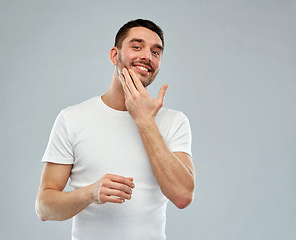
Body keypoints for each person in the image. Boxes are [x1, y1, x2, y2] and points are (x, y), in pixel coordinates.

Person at [35, 19, 195, 240]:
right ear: (114, 55)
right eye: (137, 47)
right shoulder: (72, 119)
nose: (147, 56)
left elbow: (183, 196)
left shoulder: (174, 122)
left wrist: (145, 121)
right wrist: (89, 193)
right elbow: (44, 207)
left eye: (156, 52)